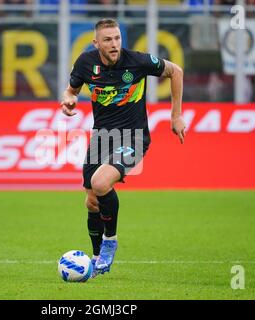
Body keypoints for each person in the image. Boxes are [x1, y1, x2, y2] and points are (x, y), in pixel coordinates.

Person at [60, 18, 186, 277]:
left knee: (100, 182)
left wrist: (176, 116)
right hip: (101, 138)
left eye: (117, 38)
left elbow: (176, 71)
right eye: (108, 40)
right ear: (97, 43)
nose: (114, 44)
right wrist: (68, 102)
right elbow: (71, 91)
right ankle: (95, 261)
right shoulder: (86, 63)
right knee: (92, 202)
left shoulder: (137, 61)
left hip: (134, 137)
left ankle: (110, 241)